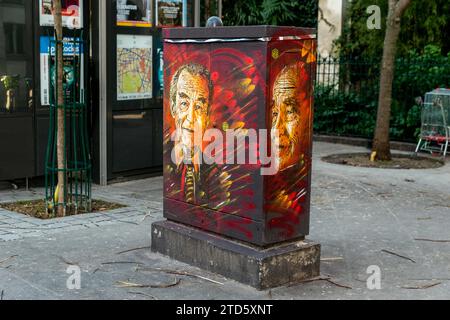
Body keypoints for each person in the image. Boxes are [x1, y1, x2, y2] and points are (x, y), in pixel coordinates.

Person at [165, 63, 230, 207]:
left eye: (199, 107)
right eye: (184, 103)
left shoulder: (216, 178)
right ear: (173, 108)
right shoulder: (167, 161)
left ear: (207, 115)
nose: (191, 117)